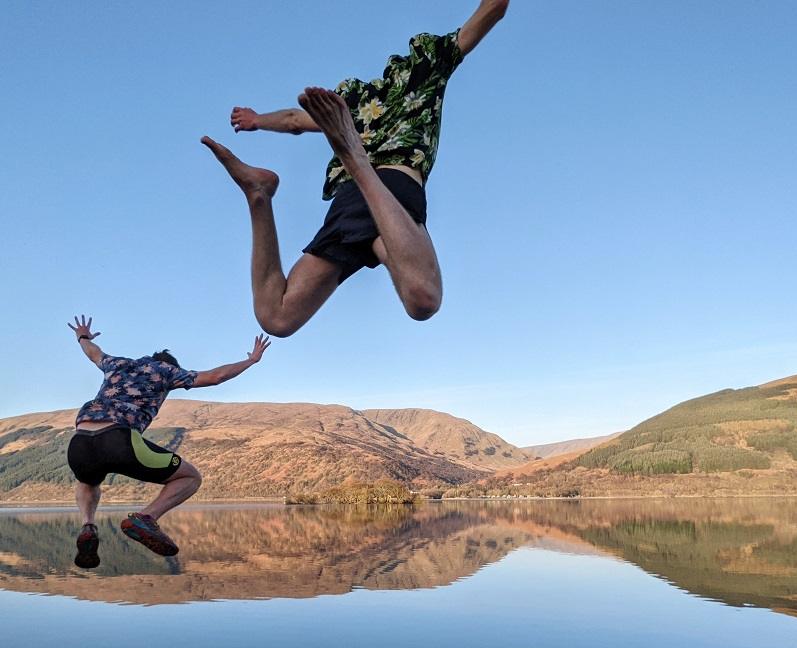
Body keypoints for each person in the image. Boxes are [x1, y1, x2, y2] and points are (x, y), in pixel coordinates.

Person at [201, 0, 509, 337]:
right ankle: (357, 160)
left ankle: (259, 194)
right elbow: (493, 8)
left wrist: (256, 120)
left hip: (349, 201)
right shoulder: (427, 70)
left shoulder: (355, 102)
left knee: (277, 317)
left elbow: (293, 120)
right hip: (393, 186)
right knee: (423, 300)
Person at [66, 315, 270, 568]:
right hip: (117, 437)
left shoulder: (117, 363)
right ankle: (146, 518)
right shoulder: (165, 370)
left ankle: (88, 525)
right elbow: (215, 376)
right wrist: (251, 360)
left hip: (79, 441)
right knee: (190, 477)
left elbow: (92, 353)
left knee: (88, 480)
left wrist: (82, 336)